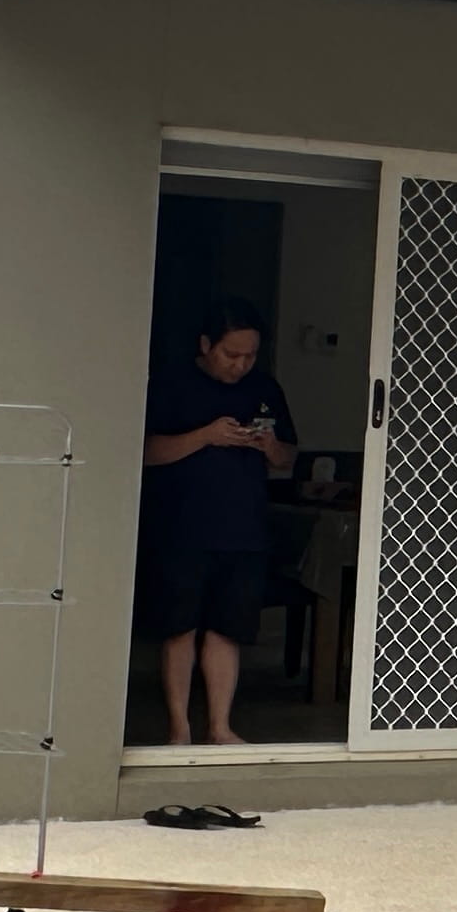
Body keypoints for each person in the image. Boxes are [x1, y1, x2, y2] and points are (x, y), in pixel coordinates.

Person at [140, 295, 295, 747]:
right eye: (231, 354)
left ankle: (220, 726)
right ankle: (179, 727)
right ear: (206, 344)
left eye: (250, 355)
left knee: (229, 628)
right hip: (179, 527)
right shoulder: (170, 385)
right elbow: (145, 452)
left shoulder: (265, 388)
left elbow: (288, 457)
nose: (241, 365)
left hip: (243, 527)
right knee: (179, 627)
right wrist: (207, 435)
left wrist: (267, 445)